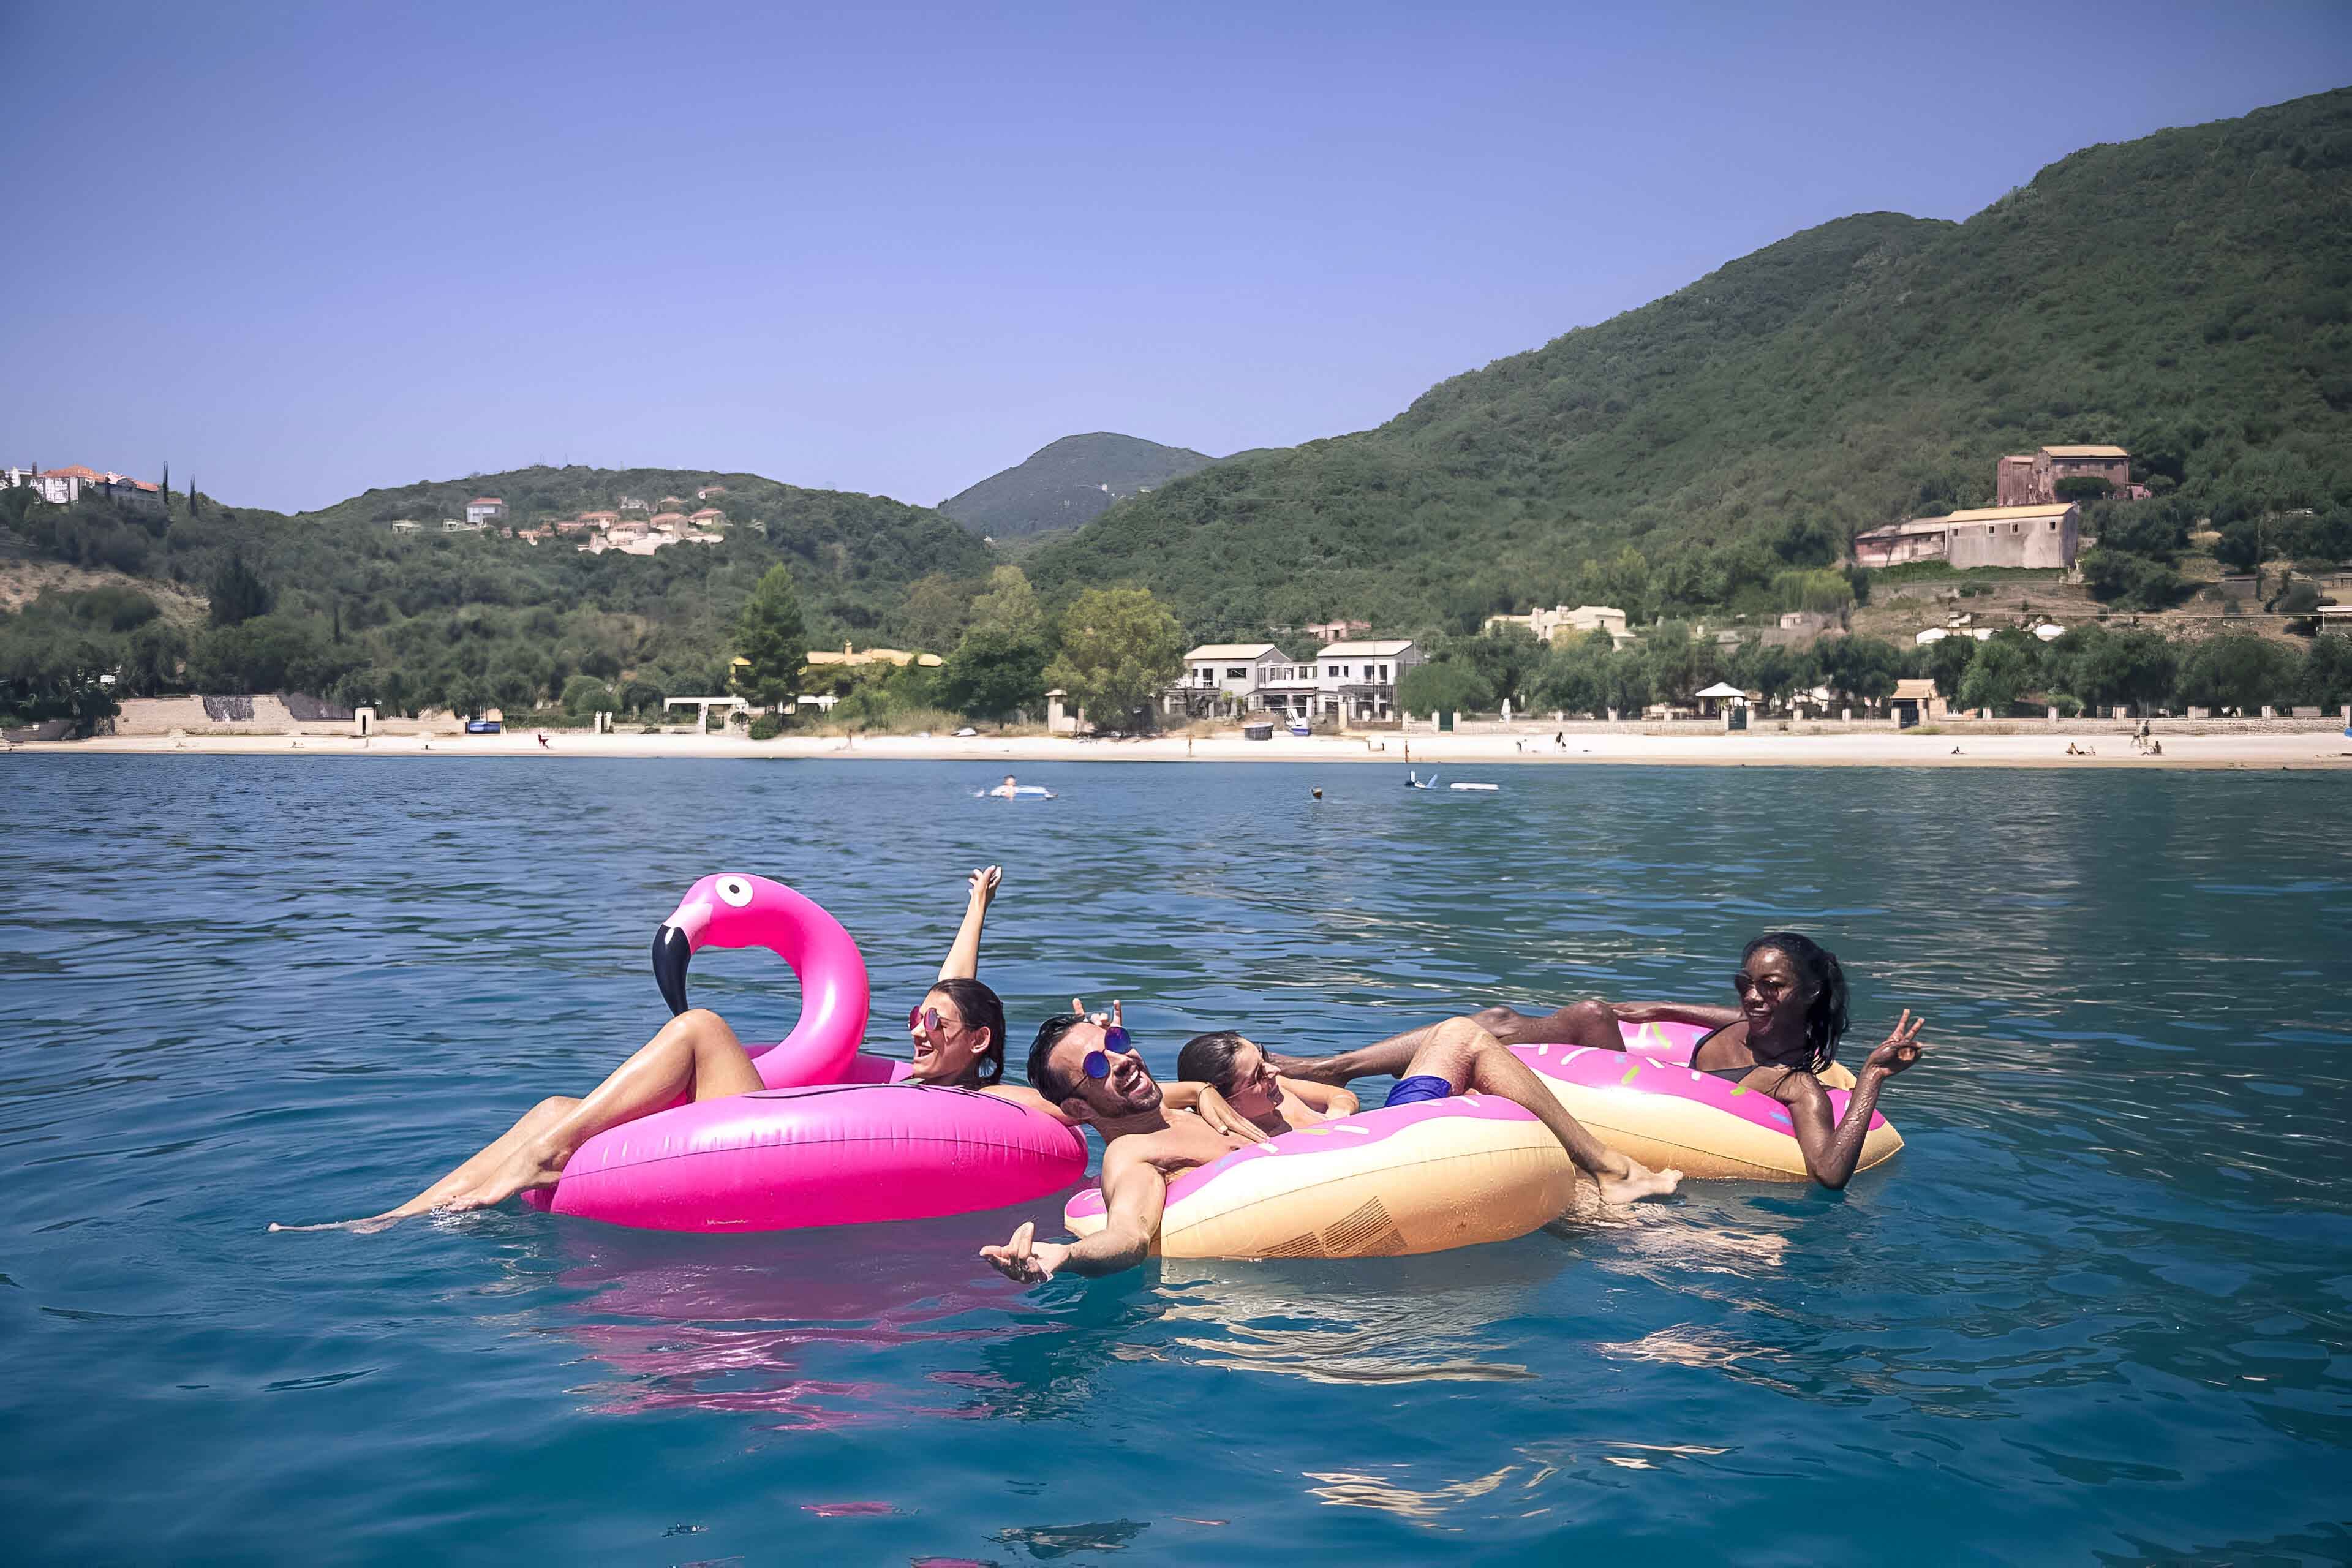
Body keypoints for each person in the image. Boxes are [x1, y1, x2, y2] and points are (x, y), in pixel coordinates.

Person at [289, 867, 1026, 1228]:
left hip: (760, 1139)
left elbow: (979, 1023)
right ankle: (402, 1215)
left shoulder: (980, 1101)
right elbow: (953, 988)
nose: (918, 1029)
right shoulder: (918, 1064)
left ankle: (544, 1159)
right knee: (554, 1105)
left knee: (702, 1025)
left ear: (981, 1040)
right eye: (917, 1018)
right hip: (755, 1125)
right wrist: (976, 906)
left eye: (936, 1025)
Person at [978, 1010, 1679, 1284]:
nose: (1122, 1062)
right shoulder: (1134, 1157)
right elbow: (1131, 1233)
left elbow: (1199, 1091)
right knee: (1464, 1037)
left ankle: (1629, 1200)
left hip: (1373, 1156)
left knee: (1462, 1035)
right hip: (1370, 1178)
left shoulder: (1184, 1097)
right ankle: (1613, 1168)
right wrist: (1062, 1253)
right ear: (1076, 1106)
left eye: (1119, 1046)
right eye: (1097, 1067)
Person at [1269, 933, 1923, 1191]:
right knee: (1527, 1017)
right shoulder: (1749, 1022)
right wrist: (1651, 1010)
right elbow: (1718, 1017)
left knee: (1481, 1036)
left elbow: (1831, 1172)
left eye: (1771, 987)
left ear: (1808, 994)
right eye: (1745, 980)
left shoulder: (1798, 1081)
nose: (1753, 995)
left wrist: (1870, 1076)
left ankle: (1344, 1071)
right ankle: (1339, 1067)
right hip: (1636, 1078)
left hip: (1644, 1107)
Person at [1174, 1030, 1358, 1139]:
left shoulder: (1281, 1089)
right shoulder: (1229, 1140)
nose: (1274, 1070)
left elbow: (1339, 1095)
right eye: (1258, 1074)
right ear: (1227, 1102)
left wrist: (1341, 1109)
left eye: (1264, 1059)